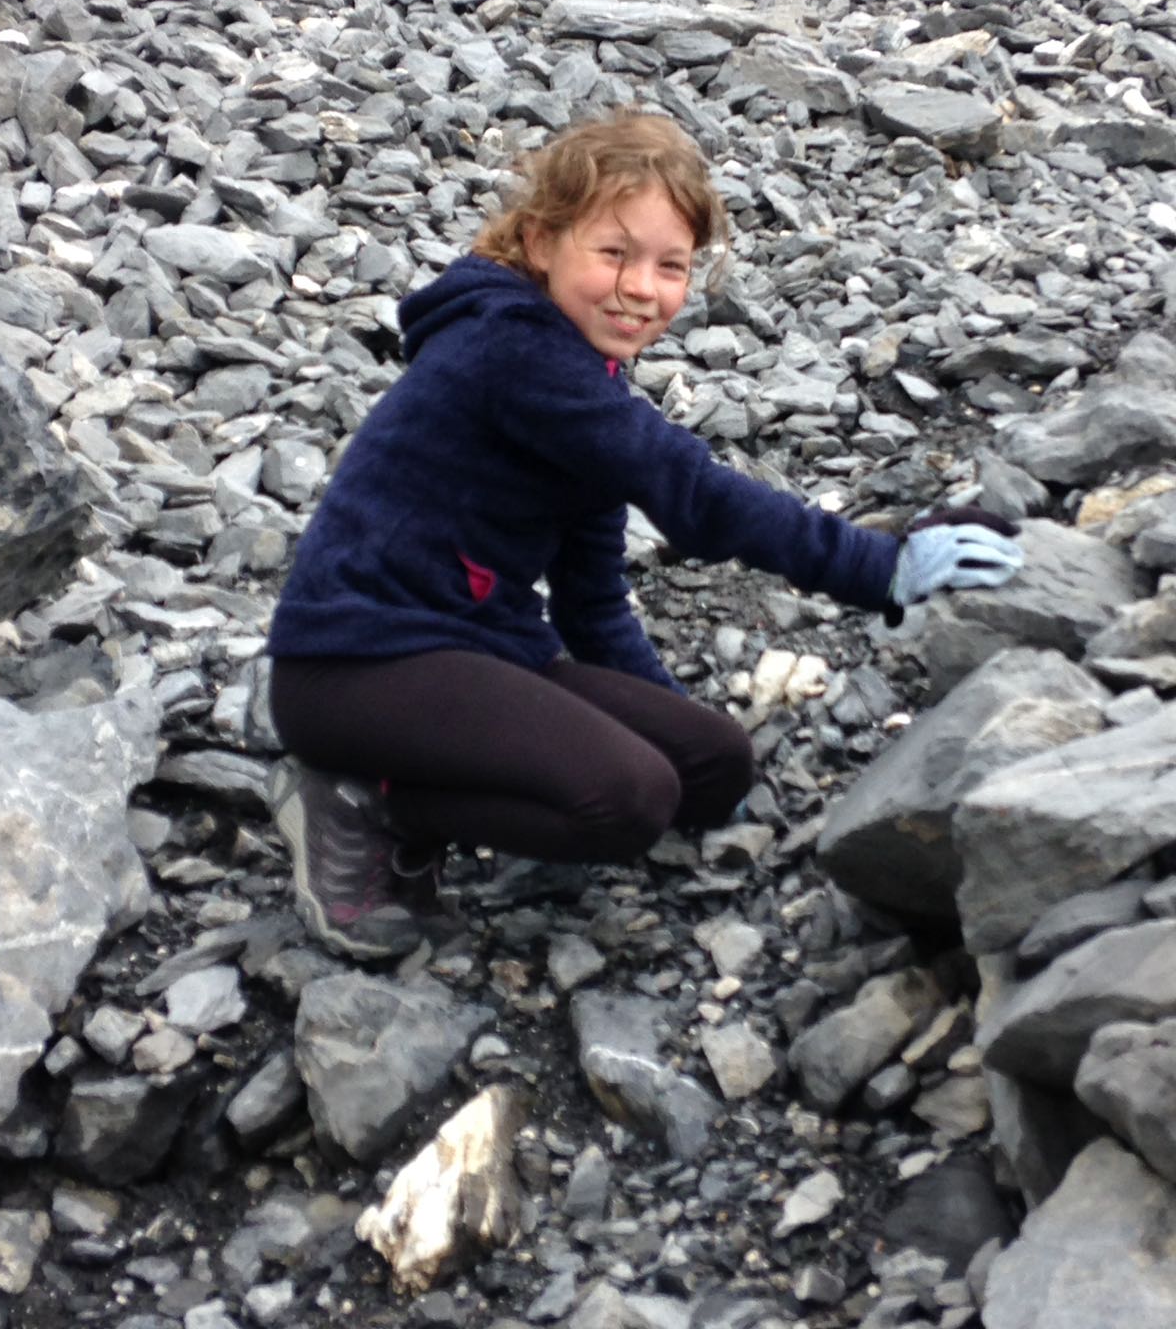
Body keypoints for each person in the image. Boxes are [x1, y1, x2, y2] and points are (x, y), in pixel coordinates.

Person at [266, 111, 1023, 961]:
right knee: (627, 801)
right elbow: (692, 493)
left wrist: (663, 724)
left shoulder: (584, 379)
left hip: (477, 648)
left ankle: (451, 774)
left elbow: (590, 599)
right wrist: (878, 566)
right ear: (543, 242)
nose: (639, 287)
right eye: (614, 253)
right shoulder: (511, 351)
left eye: (671, 266)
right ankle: (365, 802)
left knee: (711, 766)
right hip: (356, 665)